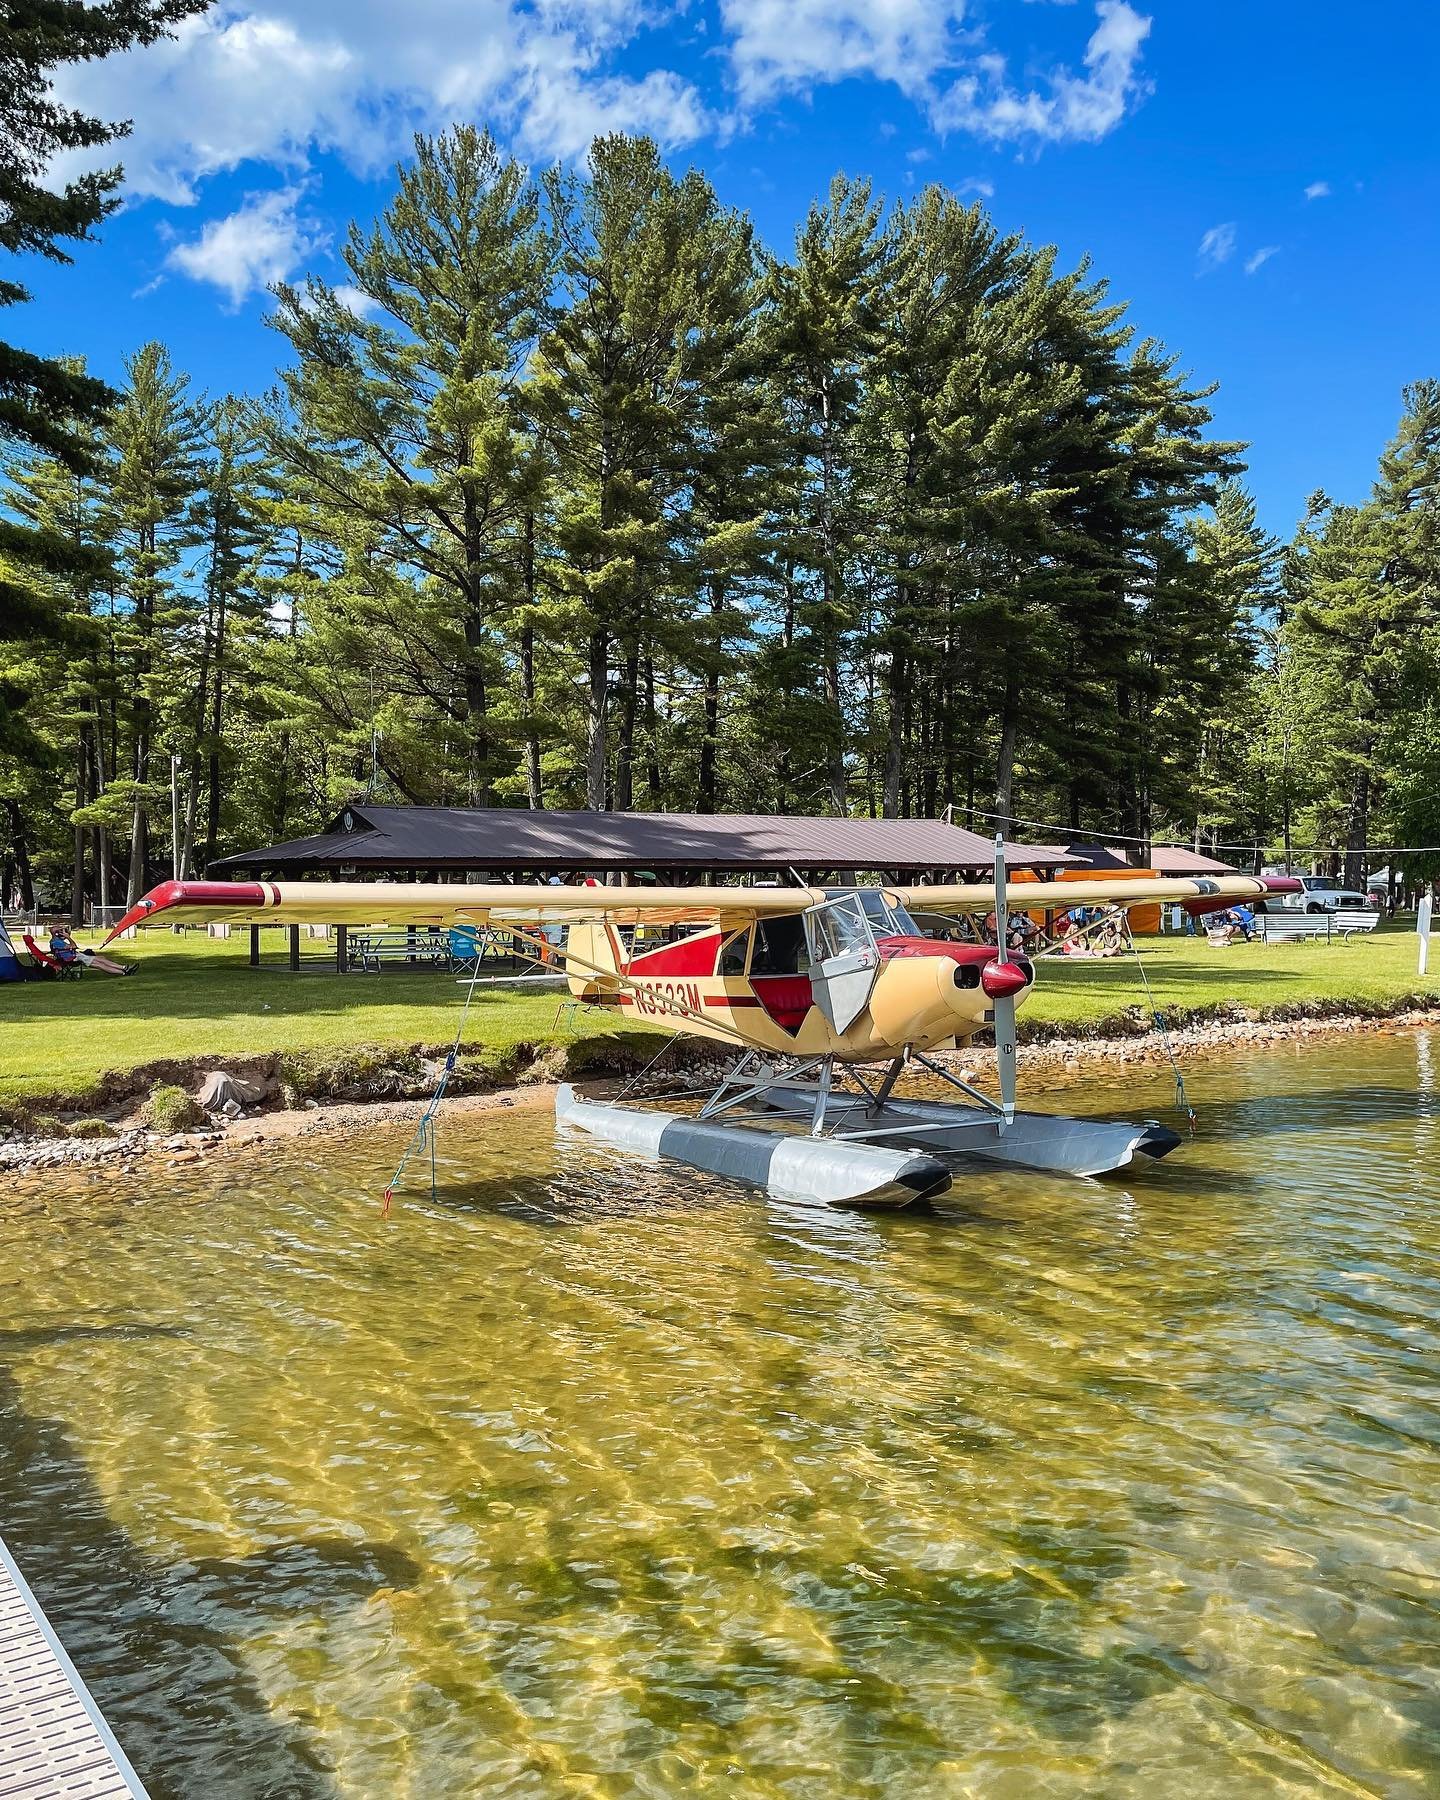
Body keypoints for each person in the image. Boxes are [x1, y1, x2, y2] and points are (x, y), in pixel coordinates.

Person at [51, 923, 133, 976]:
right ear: (56, 933)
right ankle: (124, 970)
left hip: (74, 955)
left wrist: (67, 936)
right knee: (100, 964)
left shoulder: (56, 941)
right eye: (60, 930)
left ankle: (124, 969)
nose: (62, 931)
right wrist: (68, 937)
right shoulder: (56, 942)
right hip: (72, 958)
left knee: (101, 959)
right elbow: (74, 946)